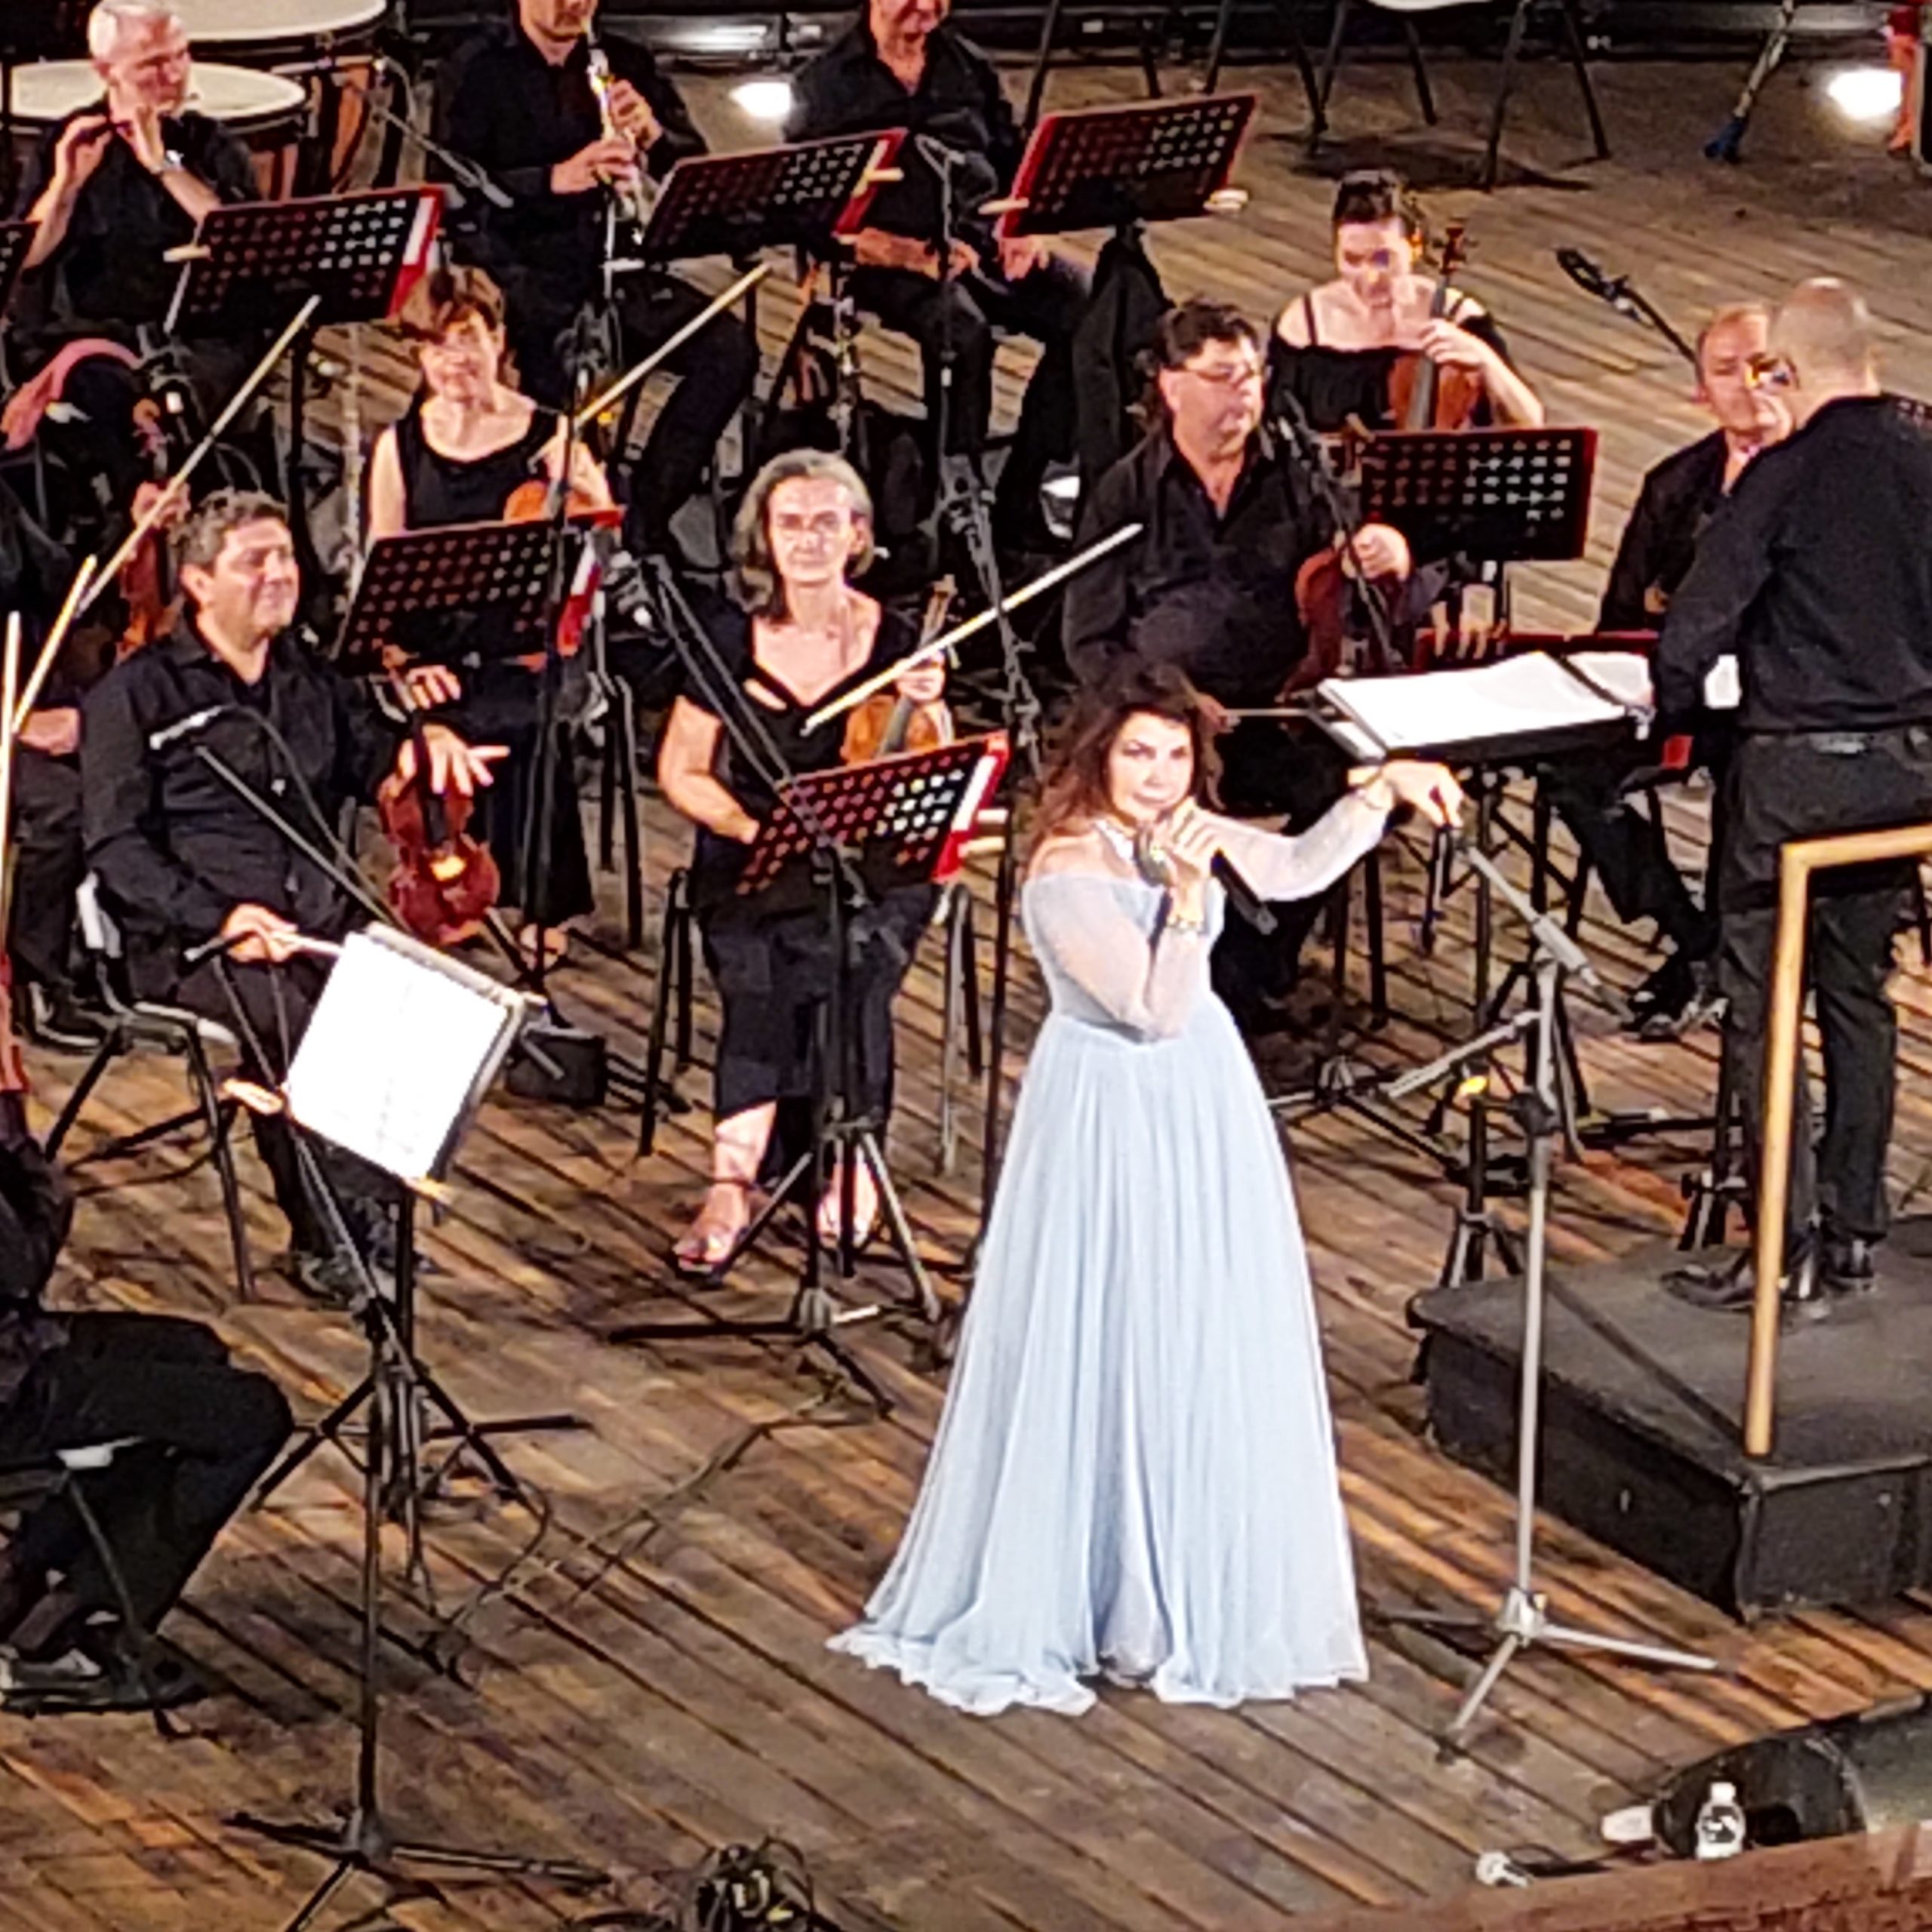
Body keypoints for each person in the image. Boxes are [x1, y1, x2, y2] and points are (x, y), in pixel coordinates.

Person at [830, 663, 1461, 1715]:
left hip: (1199, 1098)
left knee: (1193, 1318)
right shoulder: (1067, 870)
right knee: (1113, 1320)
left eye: (1175, 756)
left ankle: (1171, 1574)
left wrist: (1379, 792)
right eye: (1138, 755)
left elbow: (1293, 870)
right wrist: (1185, 901)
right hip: (1111, 1106)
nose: (1160, 777)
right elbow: (1151, 1008)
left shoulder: (1176, 833)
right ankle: (1100, 1586)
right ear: (1099, 758)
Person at [80, 491, 506, 1291]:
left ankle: (376, 1210)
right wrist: (220, 917)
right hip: (197, 941)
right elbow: (115, 847)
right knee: (308, 1037)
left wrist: (420, 753)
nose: (280, 573)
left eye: (285, 557)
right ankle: (326, 1236)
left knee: (418, 1009)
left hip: (316, 914)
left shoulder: (307, 675)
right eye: (255, 561)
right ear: (199, 582)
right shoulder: (135, 695)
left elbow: (367, 758)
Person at [1656, 279, 1932, 1312]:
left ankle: (1782, 1243)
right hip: (1909, 768)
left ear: (1788, 369)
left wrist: (1679, 713)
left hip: (1796, 776)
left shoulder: (1785, 473)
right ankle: (1856, 1230)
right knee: (1859, 990)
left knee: (1762, 1004)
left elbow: (1694, 628)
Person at [1062, 298, 1414, 1026]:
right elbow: (1088, 641)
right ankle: (1201, 976)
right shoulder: (1126, 492)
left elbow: (1362, 575)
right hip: (1169, 727)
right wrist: (1169, 704)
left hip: (1279, 709)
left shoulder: (1297, 475)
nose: (1243, 395)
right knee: (1165, 805)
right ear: (1172, 386)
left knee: (1358, 791)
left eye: (1251, 376)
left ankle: (1257, 966)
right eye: (1222, 377)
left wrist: (1388, 551)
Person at [656, 450, 944, 1274]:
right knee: (759, 969)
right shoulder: (727, 638)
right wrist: (756, 830)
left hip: (871, 860)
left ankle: (854, 1161)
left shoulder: (900, 641)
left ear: (857, 535)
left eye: (827, 522)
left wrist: (926, 707)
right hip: (752, 852)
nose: (809, 539)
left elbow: (932, 770)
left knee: (859, 955)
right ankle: (732, 1181)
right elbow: (681, 769)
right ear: (766, 538)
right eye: (791, 523)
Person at [435, 0, 758, 555]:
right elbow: (451, 190)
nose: (575, 5)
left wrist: (654, 136)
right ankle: (559, 533)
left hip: (619, 268)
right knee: (561, 377)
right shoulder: (475, 70)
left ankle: (644, 520)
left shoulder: (625, 60)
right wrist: (552, 179)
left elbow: (696, 173)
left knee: (728, 351)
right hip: (525, 276)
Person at [1545, 303, 1787, 1041]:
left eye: (1764, 367)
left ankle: (1737, 950)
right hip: (1684, 690)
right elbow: (1620, 618)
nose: (1748, 386)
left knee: (1752, 778)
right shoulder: (1675, 485)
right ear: (1700, 394)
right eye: (1726, 372)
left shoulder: (1827, 486)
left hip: (1787, 701)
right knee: (1571, 774)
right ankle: (1693, 936)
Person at [367, 263, 615, 968]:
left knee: (529, 719)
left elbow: (601, 546)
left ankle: (539, 901)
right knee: (438, 724)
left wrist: (586, 496)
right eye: (437, 345)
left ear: (498, 340)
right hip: (434, 655)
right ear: (419, 357)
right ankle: (449, 886)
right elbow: (382, 578)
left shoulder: (549, 434)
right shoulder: (398, 448)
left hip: (526, 647)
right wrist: (408, 667)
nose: (455, 360)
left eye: (468, 338)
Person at [0, 1125, 291, 1709]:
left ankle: (34, 1574)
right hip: (12, 1394)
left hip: (19, 1353)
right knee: (253, 1415)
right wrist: (13, 1141)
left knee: (192, 1353)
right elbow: (21, 1264)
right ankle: (73, 1639)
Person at [786, 0, 1092, 549]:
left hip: (976, 240)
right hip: (885, 259)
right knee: (961, 330)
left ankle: (1022, 491)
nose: (926, 7)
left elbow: (1012, 158)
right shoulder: (826, 82)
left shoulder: (967, 65)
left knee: (1085, 307)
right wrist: (907, 255)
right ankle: (956, 506)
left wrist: (1022, 226)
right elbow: (805, 209)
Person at [11, 0, 261, 512]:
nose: (174, 74)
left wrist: (164, 165)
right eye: (153, 63)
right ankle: (137, 514)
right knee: (108, 392)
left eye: (181, 55)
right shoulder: (69, 140)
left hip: (196, 336)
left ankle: (203, 510)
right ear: (106, 70)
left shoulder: (207, 143)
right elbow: (27, 259)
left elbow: (246, 244)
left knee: (191, 392)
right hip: (94, 333)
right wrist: (65, 186)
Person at [1270, 168, 1543, 436]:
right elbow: (1276, 431)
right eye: (1352, 259)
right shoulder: (1304, 325)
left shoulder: (1458, 315)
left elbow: (1530, 421)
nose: (1370, 277)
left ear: (1415, 246)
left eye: (1383, 259)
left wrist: (1484, 359)